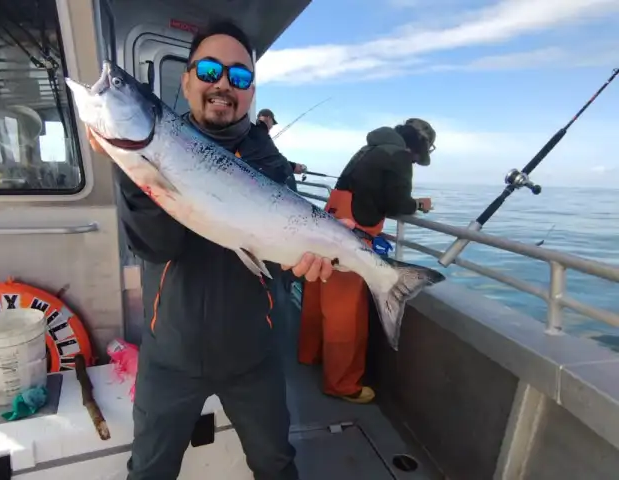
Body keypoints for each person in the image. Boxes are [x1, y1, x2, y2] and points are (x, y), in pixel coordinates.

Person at [85, 20, 353, 480]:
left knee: (275, 464)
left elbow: (280, 267)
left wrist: (307, 262)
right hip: (170, 356)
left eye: (240, 76)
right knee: (149, 471)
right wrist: (133, 170)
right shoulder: (161, 147)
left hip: (253, 358)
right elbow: (157, 245)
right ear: (186, 81)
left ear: (250, 91)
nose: (224, 83)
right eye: (209, 70)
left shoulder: (272, 165)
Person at [298, 118, 436, 404]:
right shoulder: (399, 156)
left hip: (326, 227)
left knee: (316, 296)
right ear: (416, 147)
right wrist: (419, 204)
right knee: (345, 313)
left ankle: (309, 354)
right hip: (351, 236)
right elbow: (397, 203)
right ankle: (342, 383)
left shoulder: (369, 149)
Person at [256, 108, 307, 175]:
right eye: (272, 123)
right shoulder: (262, 135)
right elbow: (273, 160)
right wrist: (294, 166)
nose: (271, 127)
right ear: (268, 118)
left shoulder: (251, 130)